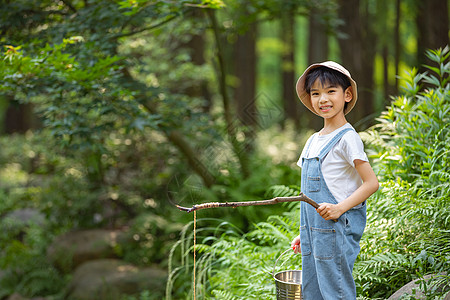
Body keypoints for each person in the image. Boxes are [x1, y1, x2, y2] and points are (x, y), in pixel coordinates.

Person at [290, 61, 379, 300]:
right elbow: (308, 195)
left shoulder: (347, 138)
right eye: (316, 93)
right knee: (313, 291)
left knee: (335, 292)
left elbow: (371, 183)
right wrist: (305, 232)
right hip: (314, 234)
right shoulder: (312, 140)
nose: (323, 99)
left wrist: (339, 208)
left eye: (331, 91)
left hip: (335, 232)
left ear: (347, 94)